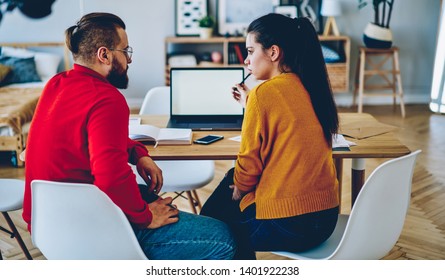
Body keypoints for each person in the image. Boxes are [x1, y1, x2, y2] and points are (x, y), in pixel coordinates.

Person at [23, 12, 235, 260]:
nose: (130, 59)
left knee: (145, 193)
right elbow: (110, 178)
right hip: (92, 229)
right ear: (105, 54)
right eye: (125, 51)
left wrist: (137, 153)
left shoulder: (56, 84)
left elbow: (93, 137)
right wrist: (145, 217)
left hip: (47, 227)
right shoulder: (106, 98)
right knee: (224, 237)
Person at [200, 14, 340, 259]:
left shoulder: (264, 94)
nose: (246, 60)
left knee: (211, 226)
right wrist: (250, 103)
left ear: (273, 52)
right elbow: (285, 122)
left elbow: (249, 161)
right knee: (231, 202)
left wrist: (239, 190)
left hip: (289, 224)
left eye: (251, 50)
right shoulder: (311, 85)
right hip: (326, 220)